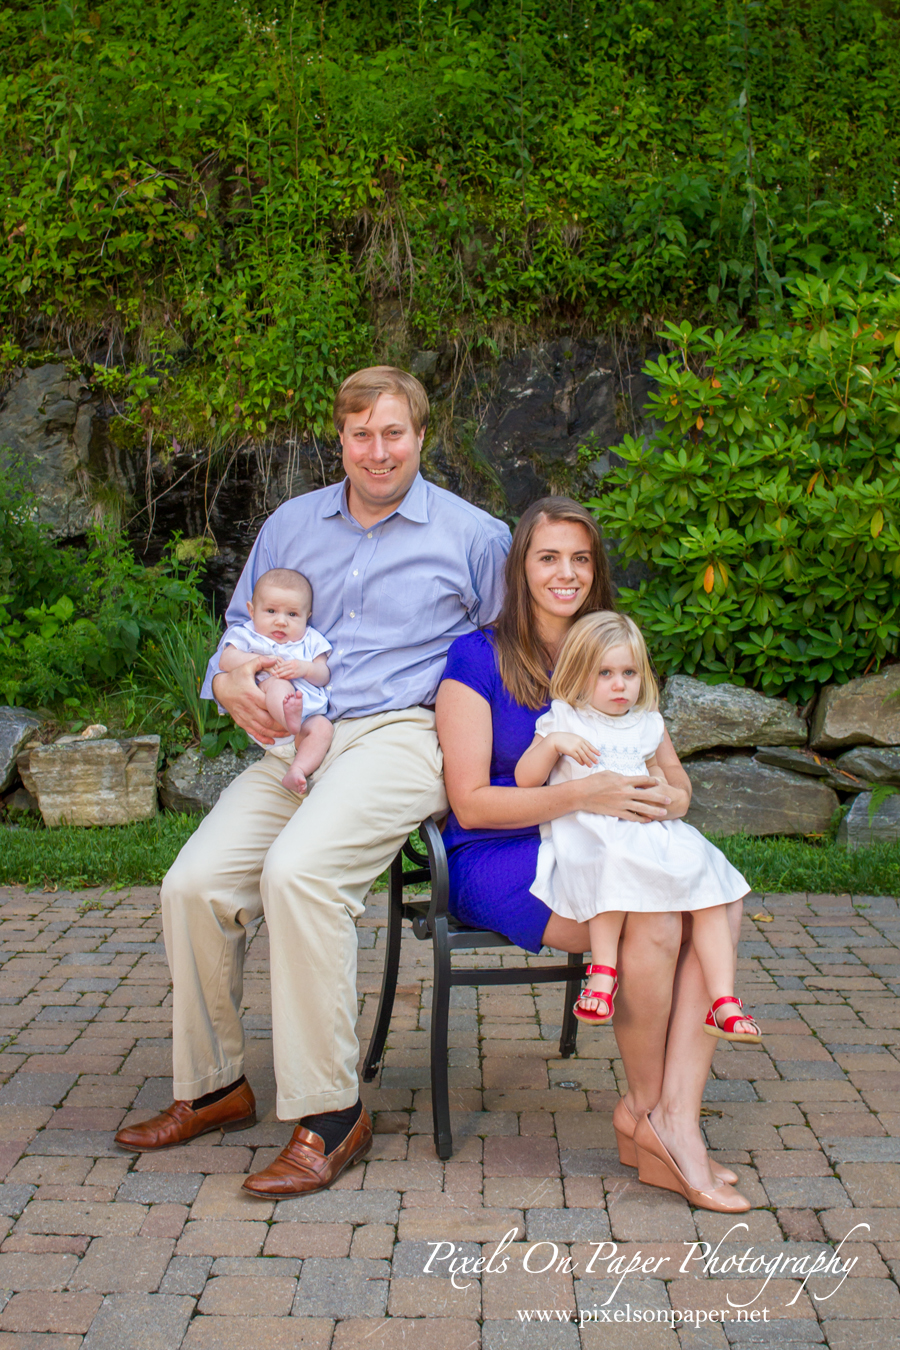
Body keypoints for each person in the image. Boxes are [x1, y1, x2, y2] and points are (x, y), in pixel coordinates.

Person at [114, 366, 511, 1196]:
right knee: (194, 883)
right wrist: (229, 682)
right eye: (360, 434)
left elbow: (504, 657)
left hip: (406, 733)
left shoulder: (476, 536)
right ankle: (217, 1086)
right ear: (339, 438)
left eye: (393, 433)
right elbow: (236, 629)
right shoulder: (293, 524)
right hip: (299, 740)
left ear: (421, 437)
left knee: (301, 874)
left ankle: (333, 1115)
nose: (377, 451)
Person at [436, 496, 751, 1213]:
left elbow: (667, 771)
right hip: (504, 852)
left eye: (581, 558)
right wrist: (587, 795)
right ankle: (657, 1118)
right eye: (549, 557)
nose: (566, 573)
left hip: (612, 843)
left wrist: (669, 800)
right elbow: (473, 802)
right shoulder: (476, 657)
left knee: (705, 911)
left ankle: (667, 1119)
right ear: (521, 567)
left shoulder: (613, 651)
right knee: (659, 921)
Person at [515, 609, 758, 1044]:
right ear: (578, 673)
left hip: (647, 828)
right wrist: (553, 744)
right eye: (605, 672)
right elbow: (525, 780)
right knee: (612, 859)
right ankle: (603, 973)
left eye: (629, 672)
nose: (619, 684)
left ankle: (723, 1000)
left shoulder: (647, 723)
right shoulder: (566, 718)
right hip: (592, 834)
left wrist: (664, 791)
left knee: (708, 882)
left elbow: (669, 780)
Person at [218, 567, 334, 794]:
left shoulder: (310, 639)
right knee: (278, 684)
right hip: (268, 716)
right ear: (251, 611)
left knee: (323, 728)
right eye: (271, 611)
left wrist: (304, 668)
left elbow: (324, 675)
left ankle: (297, 770)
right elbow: (226, 660)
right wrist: (260, 661)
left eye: (292, 614)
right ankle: (287, 715)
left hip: (303, 727)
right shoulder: (247, 634)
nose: (281, 622)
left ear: (307, 615)